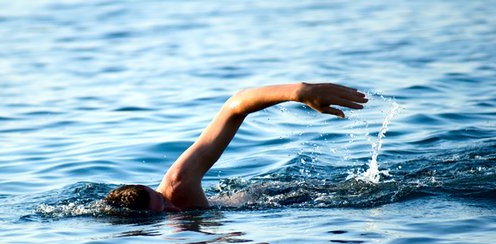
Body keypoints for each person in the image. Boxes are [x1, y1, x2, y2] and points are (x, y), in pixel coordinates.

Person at [104, 82, 368, 212]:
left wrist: (299, 92)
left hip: (285, 195)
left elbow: (236, 105)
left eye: (162, 200)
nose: (172, 207)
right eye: (162, 214)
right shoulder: (174, 239)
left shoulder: (178, 184)